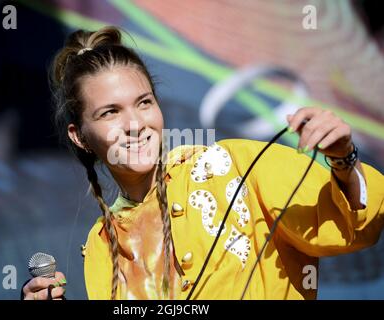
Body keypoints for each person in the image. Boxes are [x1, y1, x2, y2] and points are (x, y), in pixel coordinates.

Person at [21, 26, 384, 300]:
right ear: (80, 136)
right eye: (110, 112)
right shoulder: (101, 247)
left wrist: (343, 160)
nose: (135, 124)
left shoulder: (234, 165)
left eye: (144, 102)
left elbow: (352, 227)